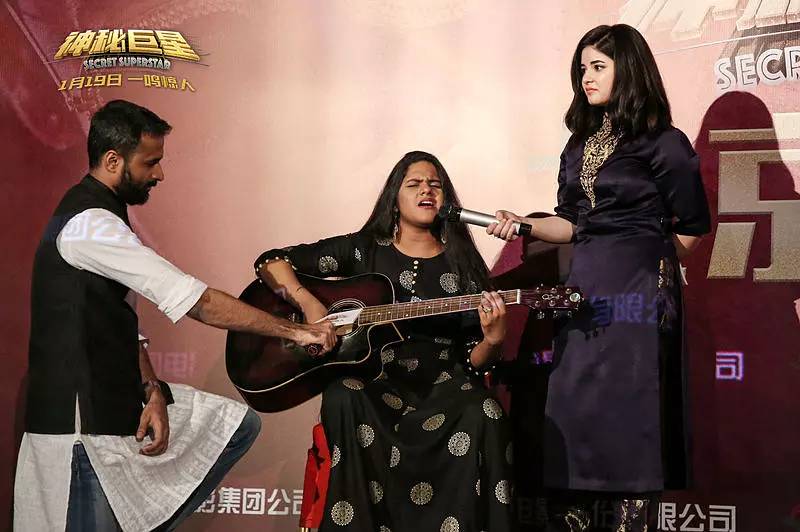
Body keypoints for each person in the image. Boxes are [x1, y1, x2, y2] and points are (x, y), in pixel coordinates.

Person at [14, 99, 336, 531]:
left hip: (112, 417)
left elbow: (122, 321)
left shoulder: (106, 217)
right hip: (80, 435)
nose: (160, 174)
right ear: (113, 160)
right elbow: (197, 301)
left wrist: (152, 391)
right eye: (150, 163)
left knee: (237, 426)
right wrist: (296, 332)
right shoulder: (90, 225)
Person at [487, 24, 711, 531]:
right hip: (584, 292)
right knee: (576, 410)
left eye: (598, 67)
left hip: (639, 296)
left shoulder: (664, 142)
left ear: (627, 69)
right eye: (582, 68)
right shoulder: (578, 145)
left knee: (632, 416)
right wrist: (523, 224)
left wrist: (653, 265)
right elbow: (570, 222)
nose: (586, 77)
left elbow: (694, 224)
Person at [256, 151, 516, 531]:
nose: (426, 191)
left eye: (435, 185)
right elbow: (271, 262)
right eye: (414, 184)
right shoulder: (363, 250)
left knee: (485, 411)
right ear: (394, 197)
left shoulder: (464, 265)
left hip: (445, 386)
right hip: (375, 382)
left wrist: (493, 339)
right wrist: (309, 305)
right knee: (343, 394)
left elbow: (473, 360)